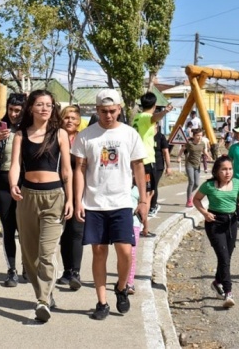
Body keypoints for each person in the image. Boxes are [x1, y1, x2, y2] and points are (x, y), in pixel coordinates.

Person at [72, 88, 147, 321]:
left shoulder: (130, 134)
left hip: (122, 202)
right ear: (97, 110)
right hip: (94, 203)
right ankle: (101, 302)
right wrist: (77, 201)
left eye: (112, 111)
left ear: (119, 110)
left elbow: (138, 167)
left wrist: (143, 200)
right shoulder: (85, 136)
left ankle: (122, 287)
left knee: (125, 252)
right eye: (103, 111)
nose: (108, 115)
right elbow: (80, 169)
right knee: (99, 252)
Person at [9, 90, 73, 323]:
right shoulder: (19, 135)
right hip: (26, 197)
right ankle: (44, 292)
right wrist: (13, 183)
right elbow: (15, 164)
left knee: (47, 253)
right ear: (31, 109)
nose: (45, 108)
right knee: (30, 256)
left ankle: (43, 301)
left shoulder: (60, 134)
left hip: (54, 197)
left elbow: (67, 170)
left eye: (49, 105)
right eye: (39, 104)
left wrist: (71, 199)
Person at [192, 156, 239, 308]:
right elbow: (196, 199)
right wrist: (204, 213)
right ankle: (228, 292)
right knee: (223, 258)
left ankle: (217, 282)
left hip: (231, 223)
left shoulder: (237, 184)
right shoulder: (209, 185)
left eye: (230, 169)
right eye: (224, 169)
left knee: (227, 257)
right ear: (217, 171)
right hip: (214, 223)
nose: (227, 172)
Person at [0, 93, 25, 287]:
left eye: (18, 110)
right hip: (2, 179)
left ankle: (28, 266)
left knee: (26, 228)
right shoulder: (0, 127)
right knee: (8, 227)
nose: (13, 114)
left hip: (25, 181)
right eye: (10, 109)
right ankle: (12, 270)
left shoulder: (29, 128)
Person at [132, 92, 173, 219]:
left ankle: (140, 224)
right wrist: (165, 111)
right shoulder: (145, 117)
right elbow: (154, 117)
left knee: (139, 191)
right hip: (147, 160)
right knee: (148, 193)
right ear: (154, 106)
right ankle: (143, 224)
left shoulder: (136, 117)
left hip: (136, 159)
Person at [57, 105, 85, 290]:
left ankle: (75, 271)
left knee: (76, 230)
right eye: (66, 117)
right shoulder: (55, 137)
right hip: (58, 189)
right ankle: (66, 271)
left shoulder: (83, 139)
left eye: (73, 118)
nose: (70, 121)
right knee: (63, 233)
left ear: (79, 121)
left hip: (80, 191)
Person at [184, 128, 213, 207]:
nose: (199, 137)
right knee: (191, 182)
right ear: (194, 136)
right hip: (189, 164)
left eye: (201, 135)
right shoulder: (189, 143)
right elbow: (183, 149)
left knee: (196, 184)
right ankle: (189, 200)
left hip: (197, 165)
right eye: (197, 135)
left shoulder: (203, 143)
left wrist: (209, 157)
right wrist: (179, 157)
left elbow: (204, 151)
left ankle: (190, 194)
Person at [150, 122, 172, 218]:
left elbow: (166, 152)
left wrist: (169, 167)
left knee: (154, 185)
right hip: (147, 164)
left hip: (158, 165)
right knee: (148, 186)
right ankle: (149, 204)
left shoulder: (161, 137)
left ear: (156, 125)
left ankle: (153, 206)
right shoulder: (146, 136)